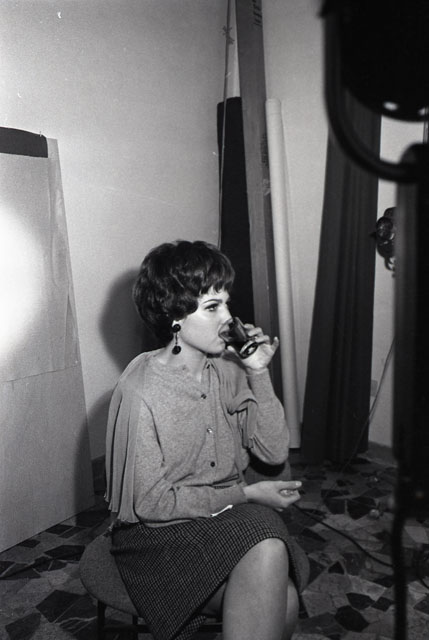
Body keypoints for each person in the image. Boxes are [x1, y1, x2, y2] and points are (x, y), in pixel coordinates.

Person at [105, 240, 309, 640]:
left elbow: (273, 453)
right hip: (159, 535)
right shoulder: (140, 390)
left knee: (280, 593)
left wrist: (258, 372)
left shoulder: (228, 369)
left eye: (227, 304)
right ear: (174, 316)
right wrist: (245, 495)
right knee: (270, 553)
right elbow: (152, 505)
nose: (229, 318)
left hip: (223, 519)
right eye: (213, 307)